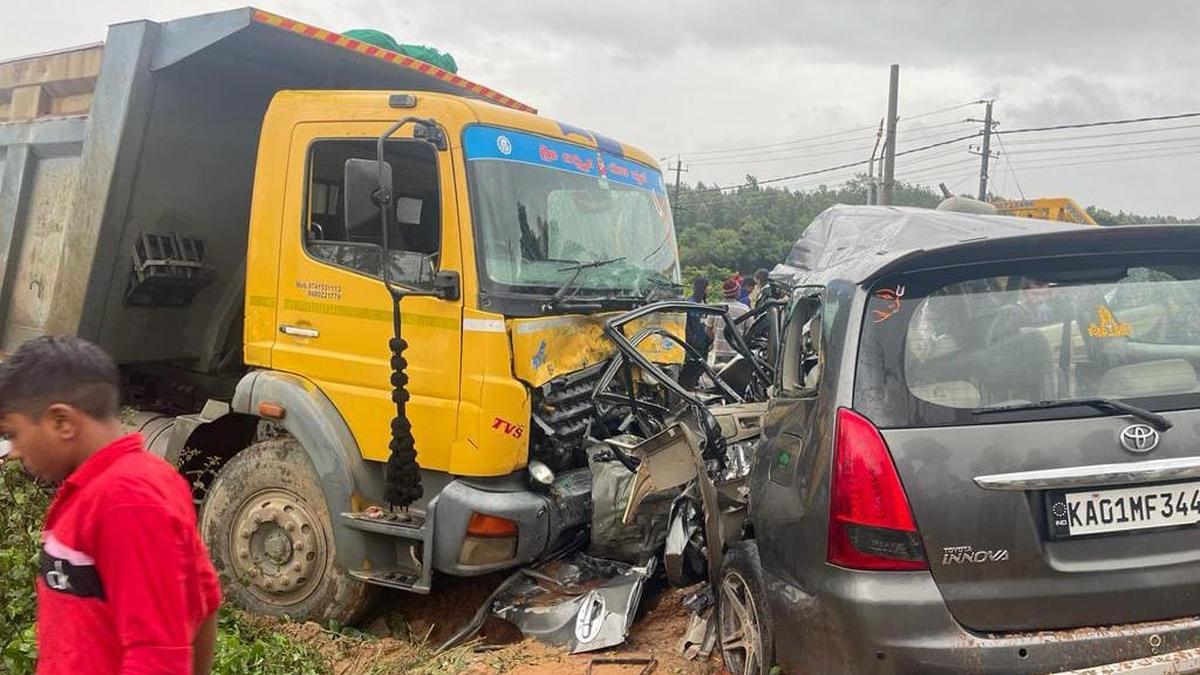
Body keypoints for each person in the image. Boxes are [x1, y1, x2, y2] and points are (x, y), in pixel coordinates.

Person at [0, 336, 221, 675]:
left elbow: (157, 658)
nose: (13, 450)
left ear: (62, 422)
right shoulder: (107, 486)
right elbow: (204, 603)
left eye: (13, 433)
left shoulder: (126, 501)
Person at [707, 278, 752, 366]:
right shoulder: (745, 309)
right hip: (737, 354)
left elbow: (708, 329)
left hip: (718, 353)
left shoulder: (715, 308)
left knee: (717, 378)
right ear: (737, 293)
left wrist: (717, 340)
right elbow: (750, 332)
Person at [681, 277, 712, 388]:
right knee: (690, 368)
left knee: (700, 368)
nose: (709, 289)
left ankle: (693, 384)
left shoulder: (705, 304)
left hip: (703, 343)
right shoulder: (689, 304)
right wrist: (691, 337)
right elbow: (685, 323)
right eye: (708, 286)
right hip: (692, 344)